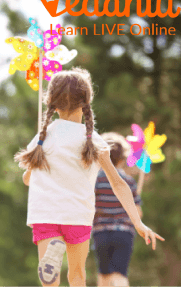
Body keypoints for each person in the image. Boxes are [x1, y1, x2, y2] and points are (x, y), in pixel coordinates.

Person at [15, 67, 164, 287]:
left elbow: (28, 179)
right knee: (77, 275)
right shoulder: (92, 140)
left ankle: (54, 255)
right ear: (86, 102)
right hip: (77, 214)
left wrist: (35, 175)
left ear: (52, 104)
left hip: (45, 212)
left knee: (49, 282)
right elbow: (118, 183)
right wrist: (137, 222)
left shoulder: (43, 137)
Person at [93, 132, 143, 287]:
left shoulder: (95, 180)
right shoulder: (128, 182)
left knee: (104, 276)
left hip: (101, 233)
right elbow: (138, 213)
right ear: (122, 158)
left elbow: (91, 208)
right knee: (120, 275)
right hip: (123, 233)